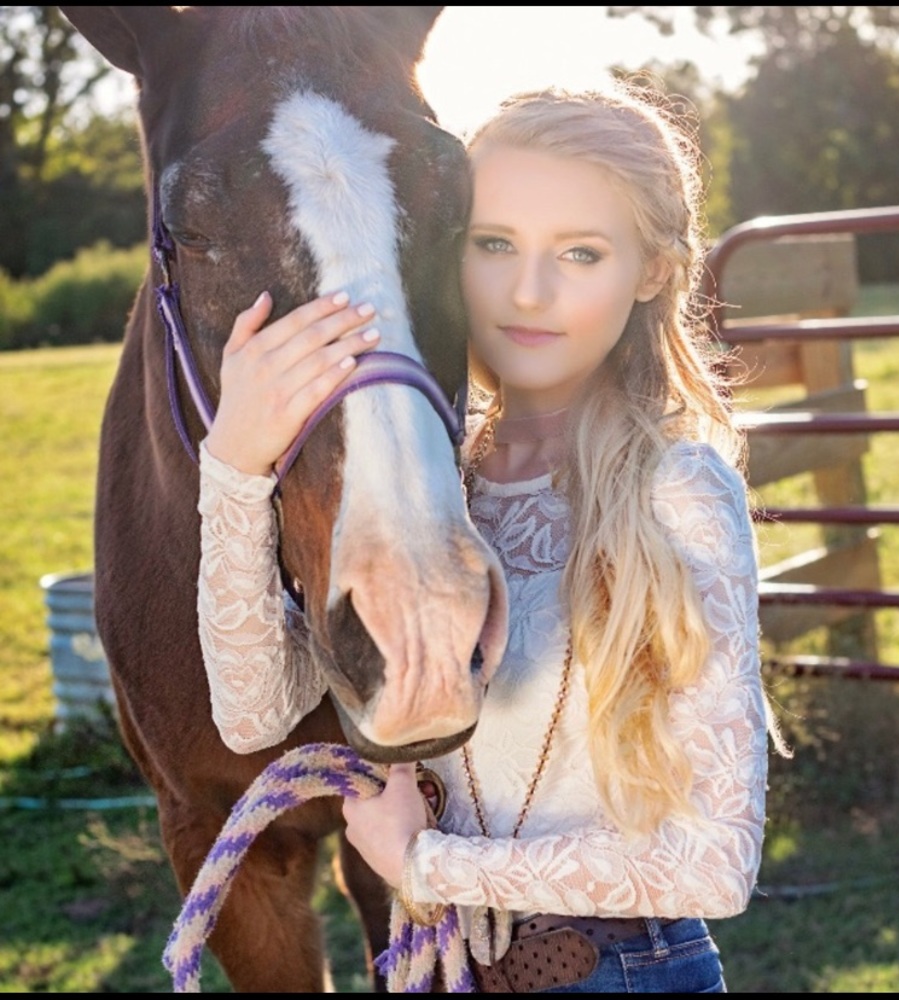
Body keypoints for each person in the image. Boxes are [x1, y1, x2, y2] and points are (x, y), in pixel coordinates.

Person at [198, 84, 773, 993]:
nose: (528, 292)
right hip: (435, 967)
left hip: (617, 971)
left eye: (580, 253)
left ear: (654, 270)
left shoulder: (676, 491)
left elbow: (713, 863)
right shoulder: (437, 483)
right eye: (494, 244)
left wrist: (427, 866)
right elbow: (253, 713)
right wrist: (233, 465)